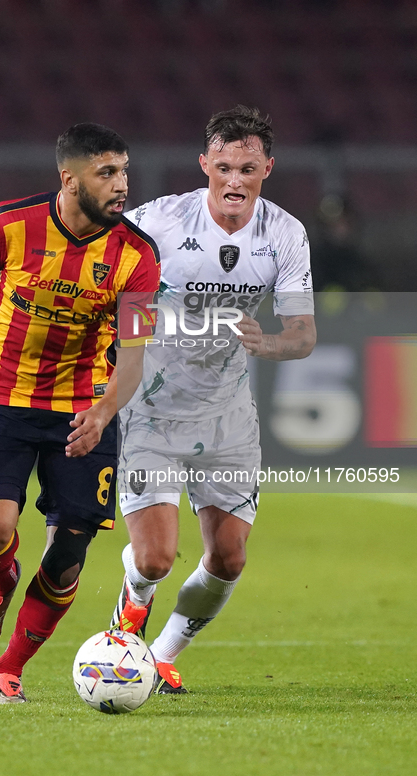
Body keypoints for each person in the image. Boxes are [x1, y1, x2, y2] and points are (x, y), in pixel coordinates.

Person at [0, 123, 160, 703]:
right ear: (69, 179)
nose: (122, 185)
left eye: (124, 171)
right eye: (107, 173)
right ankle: (1, 579)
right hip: (2, 397)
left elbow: (138, 354)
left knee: (68, 557)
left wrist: (102, 413)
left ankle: (9, 670)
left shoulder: (138, 254)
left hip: (82, 410)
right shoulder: (9, 224)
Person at [110, 105, 316, 693]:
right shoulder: (160, 222)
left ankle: (162, 654)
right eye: (223, 166)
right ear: (204, 164)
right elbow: (109, 274)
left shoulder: (284, 233)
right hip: (151, 403)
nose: (234, 180)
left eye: (247, 169)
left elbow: (302, 336)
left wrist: (268, 343)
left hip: (227, 414)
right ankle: (132, 602)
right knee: (153, 559)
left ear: (267, 169)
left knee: (228, 559)